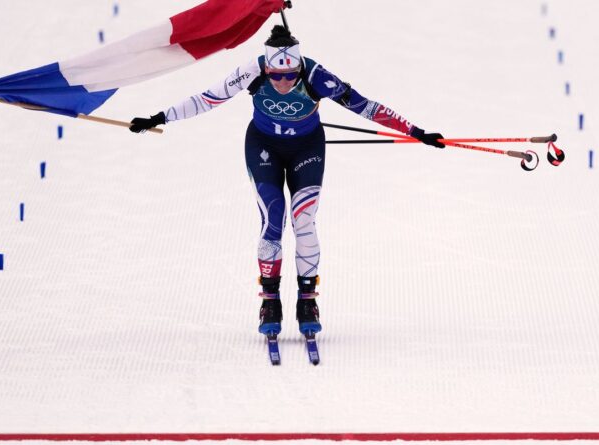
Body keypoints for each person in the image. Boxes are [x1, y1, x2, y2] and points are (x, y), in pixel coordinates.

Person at [130, 25, 445, 338]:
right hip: (263, 147)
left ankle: (307, 301)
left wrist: (416, 132)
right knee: (273, 220)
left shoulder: (316, 76)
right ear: (267, 68)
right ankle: (270, 301)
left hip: (306, 149)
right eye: (276, 76)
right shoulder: (251, 71)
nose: (282, 82)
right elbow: (209, 98)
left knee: (303, 219)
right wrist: (160, 117)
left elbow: (364, 105)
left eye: (290, 76)